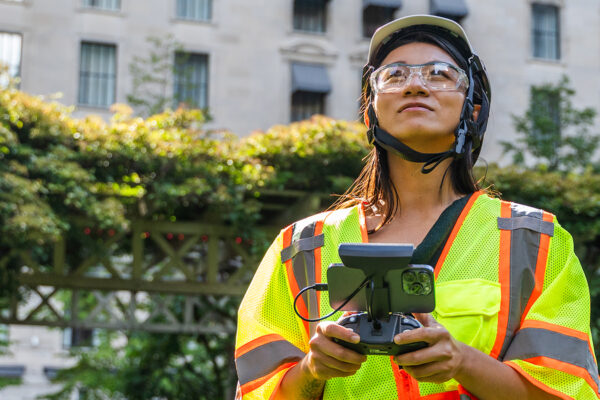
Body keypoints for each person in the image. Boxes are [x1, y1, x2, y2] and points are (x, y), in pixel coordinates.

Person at [235, 15, 599, 400]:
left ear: (472, 110)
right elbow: (258, 393)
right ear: (370, 110)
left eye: (440, 74)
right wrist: (313, 369)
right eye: (393, 76)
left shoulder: (537, 243)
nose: (414, 85)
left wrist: (462, 363)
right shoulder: (300, 248)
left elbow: (566, 391)